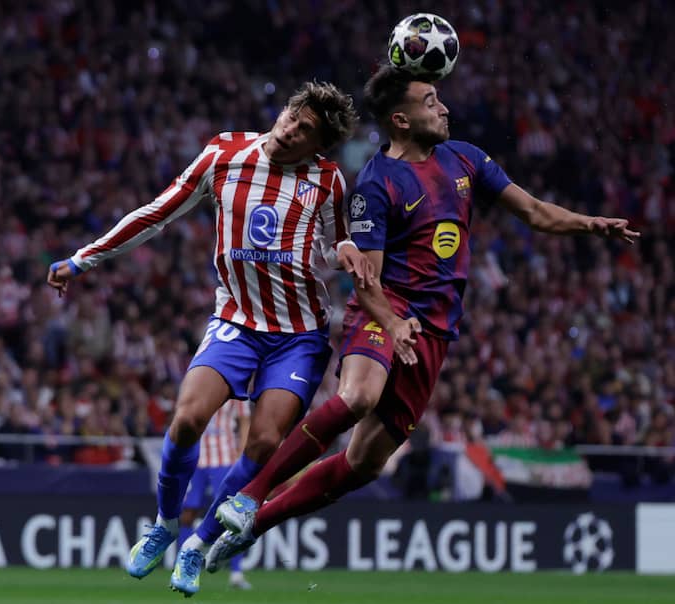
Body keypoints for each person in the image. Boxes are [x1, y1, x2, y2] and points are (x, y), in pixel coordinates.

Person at [208, 64, 640, 568]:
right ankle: (248, 496)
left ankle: (255, 526)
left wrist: (590, 224)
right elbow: (366, 281)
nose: (444, 107)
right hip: (384, 309)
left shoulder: (466, 160)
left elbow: (533, 210)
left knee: (364, 465)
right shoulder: (376, 182)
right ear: (402, 120)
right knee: (356, 397)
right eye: (430, 100)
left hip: (435, 331)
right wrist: (391, 324)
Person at [47, 81, 370, 596]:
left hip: (299, 334)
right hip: (236, 321)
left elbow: (331, 247)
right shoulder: (223, 155)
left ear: (319, 145)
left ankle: (198, 544)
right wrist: (82, 258)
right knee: (188, 418)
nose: (290, 129)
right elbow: (157, 213)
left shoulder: (326, 181)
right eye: (291, 115)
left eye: (305, 129)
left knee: (264, 441)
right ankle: (164, 525)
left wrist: (347, 250)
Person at [179, 398, 253, 590]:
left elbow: (244, 421)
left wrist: (242, 455)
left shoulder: (238, 389)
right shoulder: (198, 380)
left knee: (231, 516)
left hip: (225, 459)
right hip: (196, 460)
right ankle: (185, 568)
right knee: (187, 515)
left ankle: (236, 573)